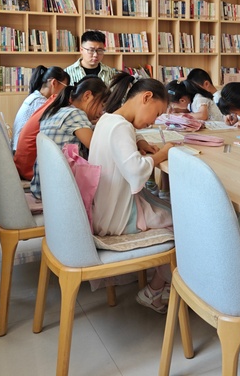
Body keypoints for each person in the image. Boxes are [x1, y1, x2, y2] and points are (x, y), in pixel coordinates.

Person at [90, 74, 176, 313]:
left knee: (169, 207)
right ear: (146, 98)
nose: (154, 121)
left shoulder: (108, 119)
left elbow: (124, 137)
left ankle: (164, 284)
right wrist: (161, 154)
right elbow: (136, 172)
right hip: (117, 217)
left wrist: (138, 141)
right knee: (183, 223)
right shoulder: (120, 128)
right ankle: (156, 289)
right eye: (157, 114)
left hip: (105, 208)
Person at [30, 76, 109, 199]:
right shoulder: (75, 114)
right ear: (87, 96)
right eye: (102, 105)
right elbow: (97, 147)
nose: (101, 112)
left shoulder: (53, 111)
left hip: (42, 188)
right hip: (62, 194)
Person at [11, 66, 69, 151]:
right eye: (65, 87)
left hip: (18, 148)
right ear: (54, 83)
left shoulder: (36, 97)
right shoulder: (40, 103)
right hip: (21, 151)